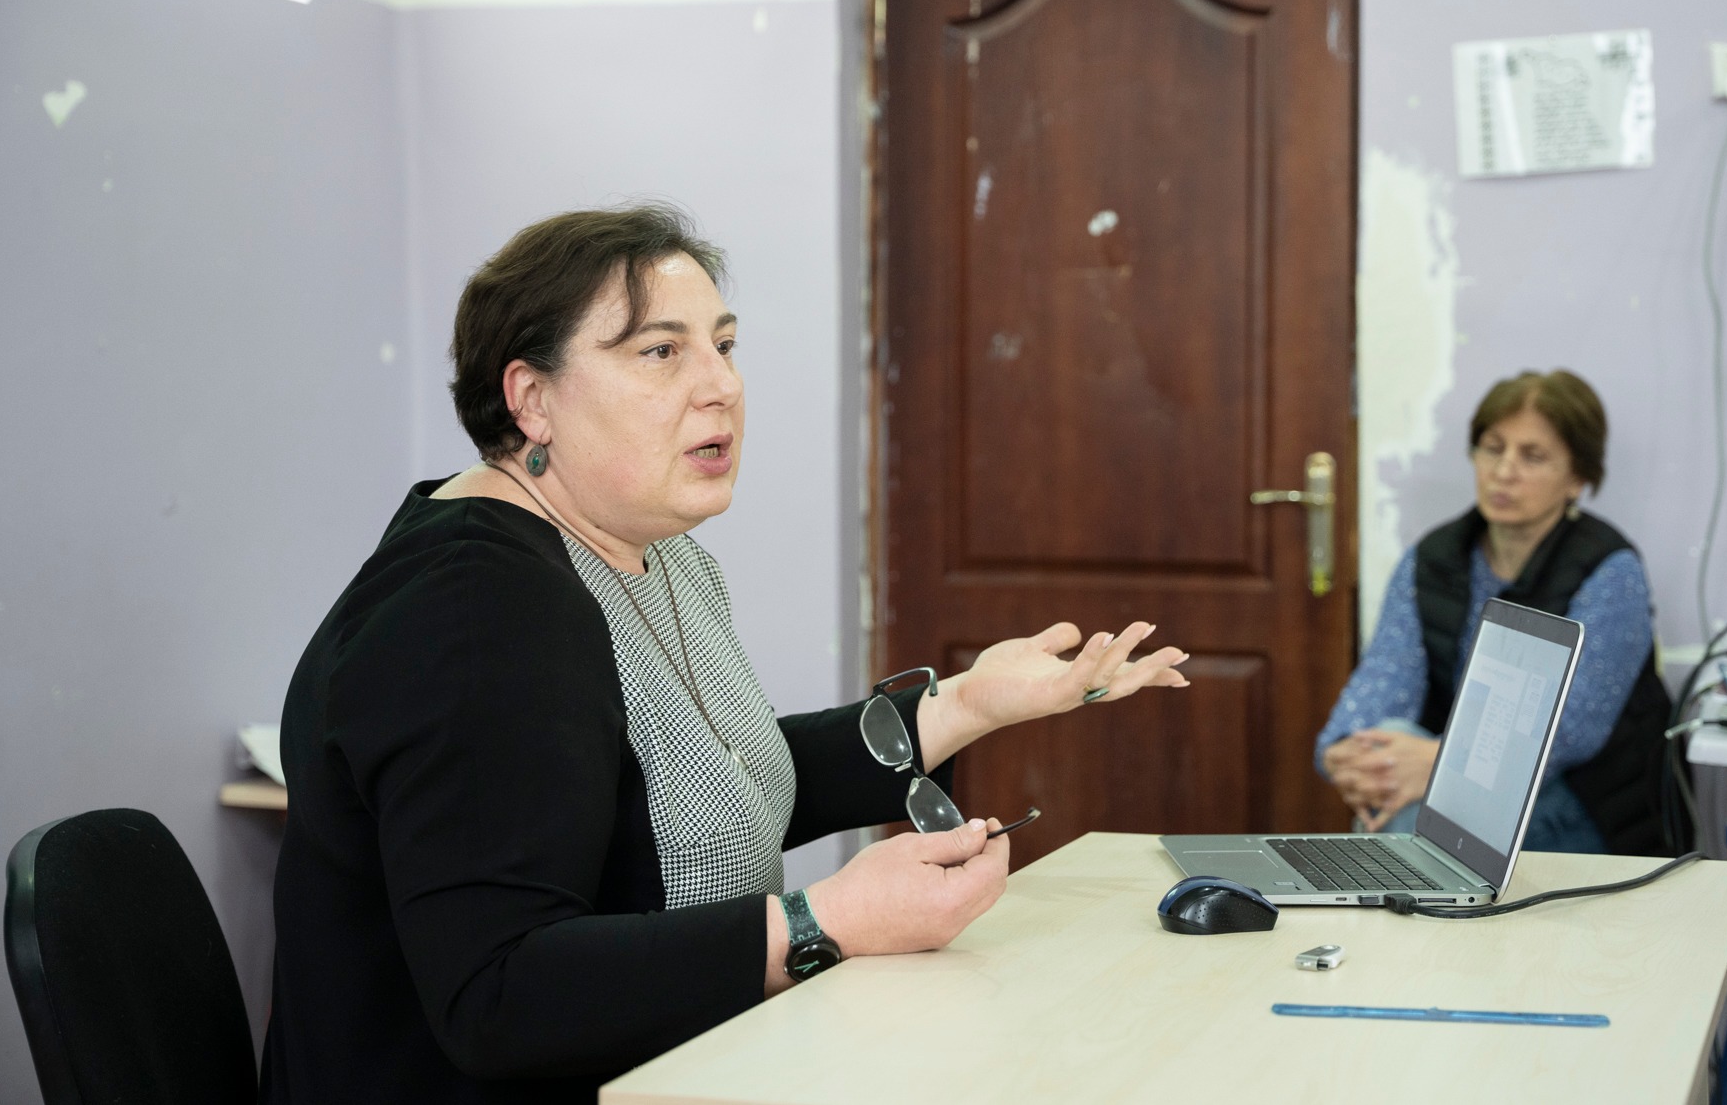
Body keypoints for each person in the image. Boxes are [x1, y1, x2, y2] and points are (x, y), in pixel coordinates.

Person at [261, 204, 1190, 1103]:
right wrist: (823, 922)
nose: (723, 386)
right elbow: (499, 994)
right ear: (532, 400)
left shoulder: (647, 552)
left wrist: (968, 703)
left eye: (725, 344)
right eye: (661, 352)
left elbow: (718, 786)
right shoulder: (474, 611)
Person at [1315, 369, 1670, 855]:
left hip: (1582, 803)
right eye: (1492, 448)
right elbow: (1383, 678)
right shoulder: (1434, 559)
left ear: (1577, 478)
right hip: (1454, 782)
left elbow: (1568, 732)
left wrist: (1439, 765)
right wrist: (1347, 754)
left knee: (1421, 814)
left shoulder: (1609, 570)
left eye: (1532, 456)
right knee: (1394, 758)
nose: (1504, 471)